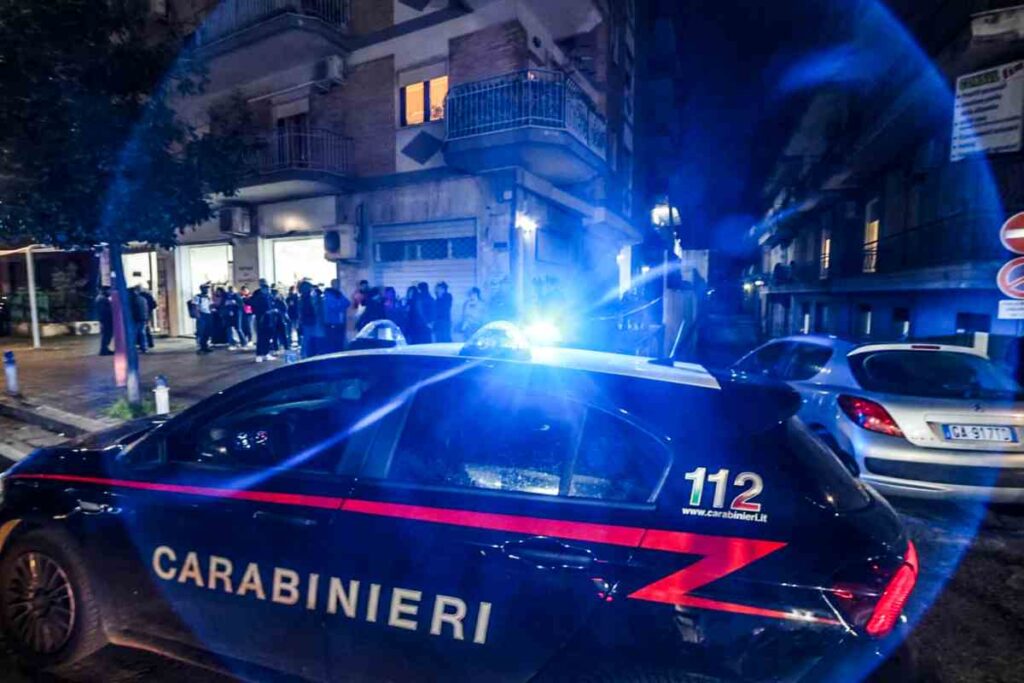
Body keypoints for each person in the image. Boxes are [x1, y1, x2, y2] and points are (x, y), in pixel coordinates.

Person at [249, 279, 275, 362]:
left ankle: (266, 353)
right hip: (261, 318)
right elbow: (251, 303)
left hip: (269, 318)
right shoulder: (258, 295)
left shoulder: (269, 295)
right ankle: (259, 354)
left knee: (267, 337)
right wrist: (261, 312)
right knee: (261, 337)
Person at [322, 279, 351, 353]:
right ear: (332, 284)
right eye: (336, 284)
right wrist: (341, 305)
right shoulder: (328, 295)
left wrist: (339, 304)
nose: (338, 285)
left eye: (338, 284)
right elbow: (333, 307)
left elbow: (347, 302)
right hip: (332, 322)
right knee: (333, 342)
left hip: (340, 323)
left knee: (340, 342)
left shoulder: (339, 294)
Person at [192, 284, 213, 354]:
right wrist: (198, 315)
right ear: (201, 289)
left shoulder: (208, 297)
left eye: (207, 289)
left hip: (208, 315)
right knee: (201, 331)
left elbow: (210, 305)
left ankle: (205, 346)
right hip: (202, 315)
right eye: (205, 288)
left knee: (207, 331)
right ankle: (200, 347)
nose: (207, 290)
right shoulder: (197, 297)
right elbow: (195, 306)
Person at [130, 285, 151, 353]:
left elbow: (134, 310)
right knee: (142, 333)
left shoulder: (134, 299)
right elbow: (146, 309)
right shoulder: (143, 299)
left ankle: (132, 347)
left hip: (137, 318)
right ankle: (144, 347)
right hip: (143, 318)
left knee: (134, 333)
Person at [95, 286, 113, 356]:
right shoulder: (102, 299)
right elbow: (105, 310)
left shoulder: (101, 298)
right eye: (109, 290)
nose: (110, 292)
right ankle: (104, 350)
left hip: (104, 319)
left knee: (106, 335)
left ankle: (105, 349)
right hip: (106, 320)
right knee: (107, 335)